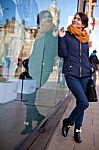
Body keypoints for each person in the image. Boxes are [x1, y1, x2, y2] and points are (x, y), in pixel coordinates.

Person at [58, 12, 93, 143]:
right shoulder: (67, 35)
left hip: (84, 74)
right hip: (71, 74)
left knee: (80, 103)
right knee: (84, 102)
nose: (75, 20)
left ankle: (77, 130)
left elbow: (85, 56)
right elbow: (62, 54)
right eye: (75, 18)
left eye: (78, 19)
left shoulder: (85, 39)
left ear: (83, 24)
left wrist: (90, 67)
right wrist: (61, 38)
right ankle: (68, 122)